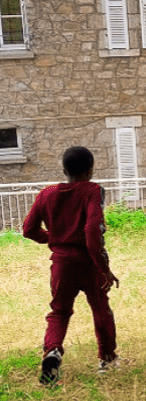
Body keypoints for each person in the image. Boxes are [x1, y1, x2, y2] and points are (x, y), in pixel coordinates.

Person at [22, 146, 119, 385]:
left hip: (61, 264)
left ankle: (53, 352)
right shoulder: (92, 190)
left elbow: (28, 230)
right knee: (100, 307)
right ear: (90, 171)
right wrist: (103, 268)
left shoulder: (46, 194)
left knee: (59, 311)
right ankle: (107, 359)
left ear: (64, 170)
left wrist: (56, 239)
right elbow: (92, 231)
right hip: (88, 262)